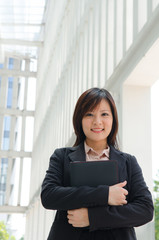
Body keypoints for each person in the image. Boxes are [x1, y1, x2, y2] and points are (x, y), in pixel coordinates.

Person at [41, 87, 153, 240]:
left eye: (104, 114)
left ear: (113, 119)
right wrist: (105, 194)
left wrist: (92, 218)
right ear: (79, 119)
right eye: (89, 114)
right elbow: (49, 196)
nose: (97, 121)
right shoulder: (62, 157)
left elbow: (145, 210)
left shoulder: (128, 162)